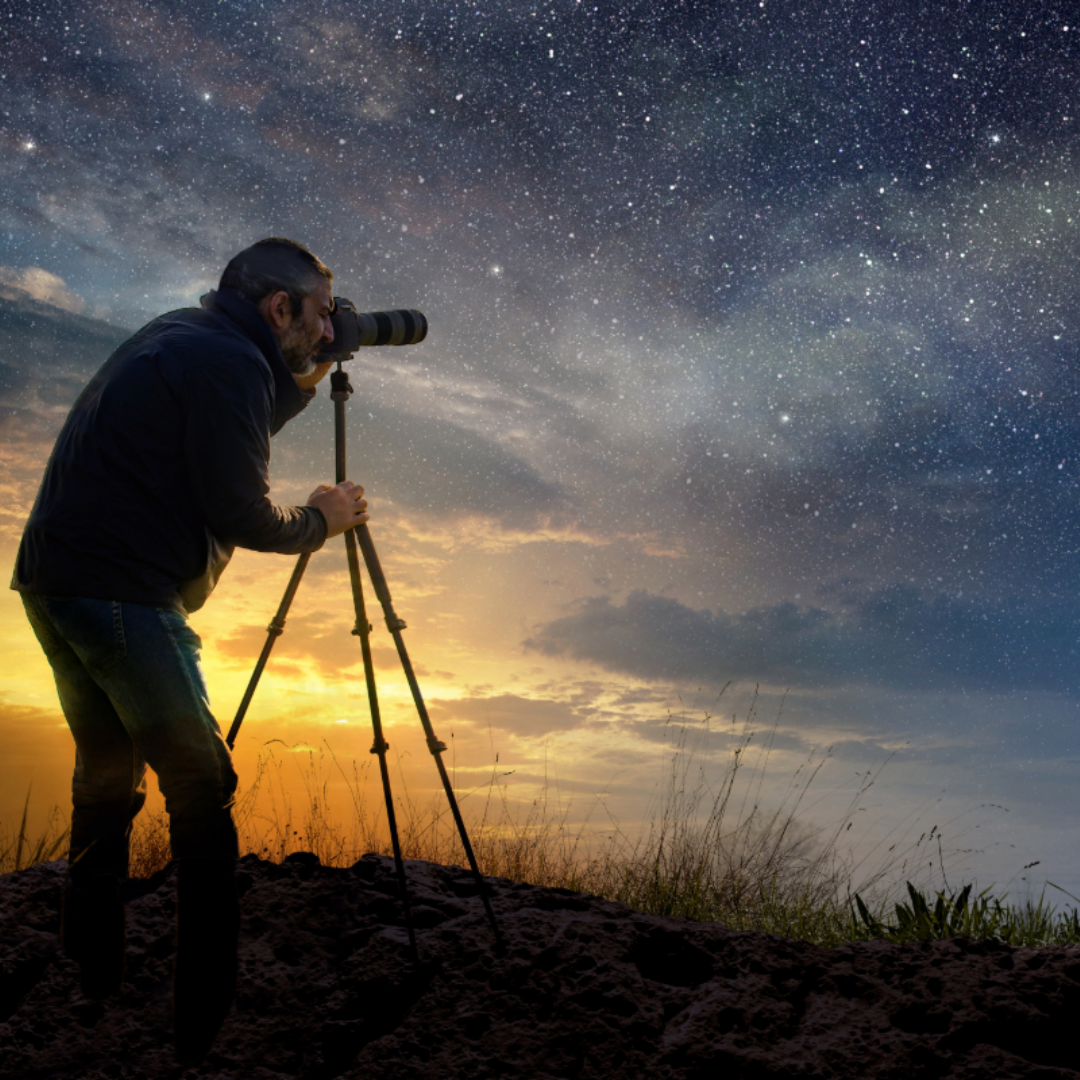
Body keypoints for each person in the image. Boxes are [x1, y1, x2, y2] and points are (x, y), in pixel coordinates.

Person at [11, 237, 368, 1060]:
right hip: (122, 591)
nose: (329, 330)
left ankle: (88, 975)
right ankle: (203, 1024)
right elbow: (242, 511)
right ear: (279, 307)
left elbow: (236, 419)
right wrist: (322, 520)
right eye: (320, 317)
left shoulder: (189, 335)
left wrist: (310, 368)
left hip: (56, 582)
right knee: (202, 784)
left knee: (107, 773)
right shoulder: (229, 363)